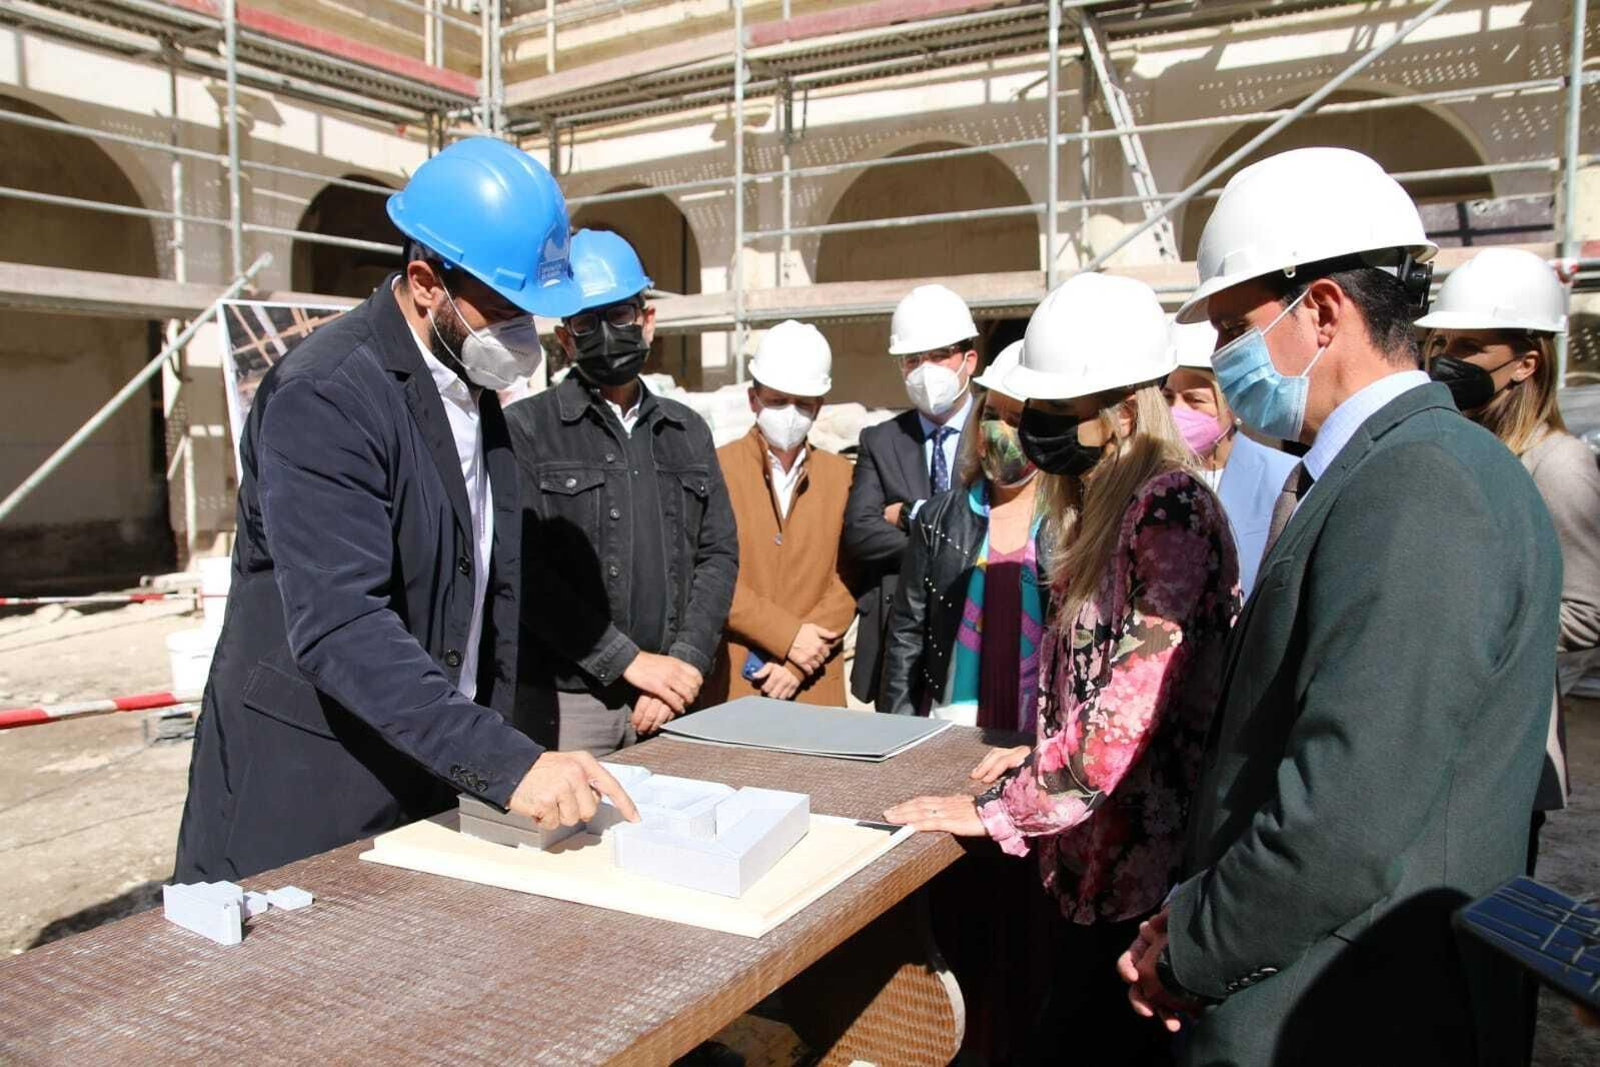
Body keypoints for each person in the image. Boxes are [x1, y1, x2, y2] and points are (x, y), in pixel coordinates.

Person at [1117, 147, 1562, 1067]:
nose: (1220, 360)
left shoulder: (1422, 487)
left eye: (1236, 327)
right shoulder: (1385, 472)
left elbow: (1342, 817)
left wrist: (1193, 945)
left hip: (1345, 1011)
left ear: (1321, 312)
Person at [173, 138, 639, 882]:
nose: (523, 335)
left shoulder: (470, 390)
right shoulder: (326, 396)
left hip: (426, 774)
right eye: (504, 311)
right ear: (426, 282)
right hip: (313, 792)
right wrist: (509, 762)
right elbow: (342, 626)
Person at [886, 272, 1240, 1063]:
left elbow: (1131, 710)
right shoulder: (1104, 505)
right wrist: (1041, 744)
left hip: (1138, 886)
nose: (1034, 429)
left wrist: (1002, 809)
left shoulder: (1168, 506)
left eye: (1053, 412)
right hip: (1093, 867)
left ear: (1120, 408)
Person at [507, 229, 737, 755]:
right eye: (586, 324)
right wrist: (629, 662)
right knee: (570, 835)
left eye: (619, 316)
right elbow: (521, 569)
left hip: (674, 697)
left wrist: (684, 661)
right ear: (565, 338)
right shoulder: (527, 430)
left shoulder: (687, 432)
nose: (605, 335)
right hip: (571, 705)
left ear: (647, 320)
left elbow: (718, 553)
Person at [1419, 246, 1600, 701]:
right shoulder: (1443, 443)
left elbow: (1585, 612)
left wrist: (1466, 633)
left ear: (1526, 363)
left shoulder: (1558, 463)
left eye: (1470, 348)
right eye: (1440, 343)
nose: (1444, 360)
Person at [878, 340, 1051, 728]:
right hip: (955, 722)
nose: (998, 430)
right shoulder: (940, 517)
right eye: (991, 413)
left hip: (1041, 728)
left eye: (1016, 418)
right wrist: (895, 732)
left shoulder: (1075, 518)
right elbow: (906, 634)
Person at [702, 320, 856, 706]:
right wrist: (787, 637)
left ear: (819, 406)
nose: (790, 413)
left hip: (814, 683)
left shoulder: (845, 478)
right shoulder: (716, 470)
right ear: (753, 399)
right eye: (777, 401)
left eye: (803, 403)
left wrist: (798, 664)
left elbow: (851, 579)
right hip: (735, 681)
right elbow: (707, 575)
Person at [844, 284, 982, 705]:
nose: (927, 369)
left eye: (940, 355)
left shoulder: (997, 427)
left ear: (969, 360)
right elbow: (861, 533)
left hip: (978, 627)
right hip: (898, 639)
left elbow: (1005, 524)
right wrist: (954, 546)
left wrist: (910, 515)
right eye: (914, 360)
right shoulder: (881, 440)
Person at [1163, 318, 1299, 598]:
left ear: (1233, 404)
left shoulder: (1284, 477)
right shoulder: (1147, 479)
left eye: (1195, 400)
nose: (1177, 412)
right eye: (1168, 398)